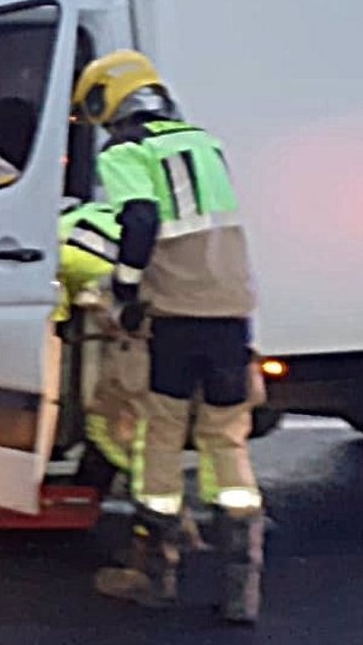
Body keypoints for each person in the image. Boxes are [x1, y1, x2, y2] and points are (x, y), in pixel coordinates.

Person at [72, 50, 264, 625]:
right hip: (231, 313)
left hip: (176, 316)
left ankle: (156, 574)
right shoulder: (205, 144)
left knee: (161, 432)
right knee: (226, 437)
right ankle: (241, 586)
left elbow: (139, 220)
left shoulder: (128, 151)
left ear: (111, 101)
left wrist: (126, 291)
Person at [54, 200, 146, 492]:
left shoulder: (53, 245)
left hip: (124, 318)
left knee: (107, 414)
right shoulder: (97, 213)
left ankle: (148, 491)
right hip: (161, 298)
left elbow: (57, 318)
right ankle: (96, 481)